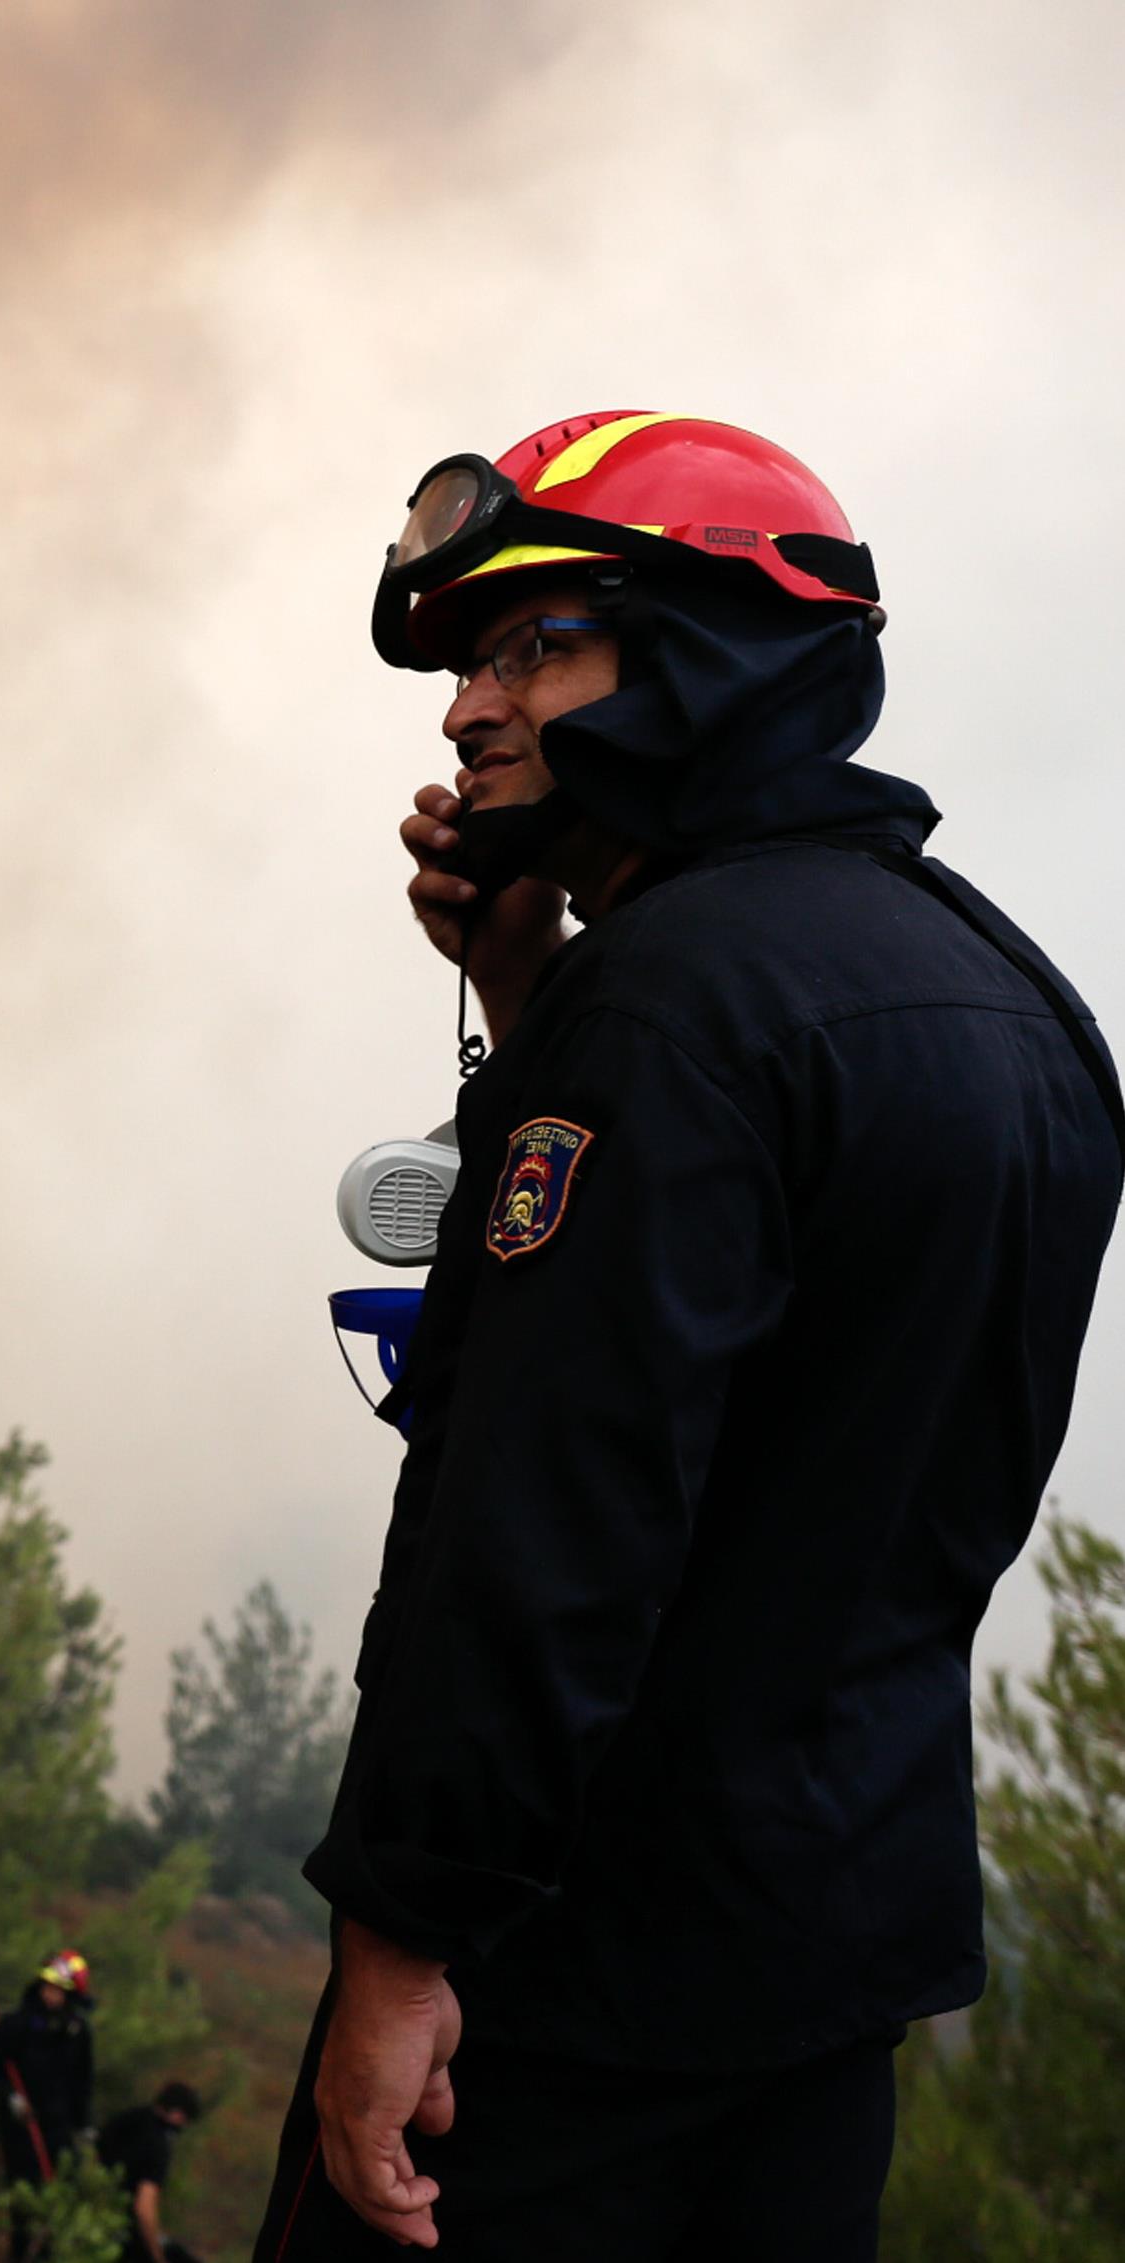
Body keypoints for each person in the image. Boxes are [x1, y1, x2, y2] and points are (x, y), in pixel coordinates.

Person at [257, 413, 1122, 2260]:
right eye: (468, 660)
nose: (463, 709)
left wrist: (401, 1942)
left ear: (712, 652)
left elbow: (545, 1526)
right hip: (824, 1991)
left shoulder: (664, 1017)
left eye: (530, 646)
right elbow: (818, 1468)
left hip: (562, 2013)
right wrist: (519, 989)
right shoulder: (1012, 1002)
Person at [0, 1950, 98, 2192]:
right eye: (47, 1986)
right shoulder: (17, 2025)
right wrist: (10, 2096)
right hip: (22, 2129)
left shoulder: (78, 2032)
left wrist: (84, 2125)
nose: (50, 1994)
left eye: (58, 1989)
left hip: (61, 2129)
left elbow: (83, 2081)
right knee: (25, 2196)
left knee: (67, 2191)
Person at [96, 2082, 204, 2263]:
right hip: (122, 2232)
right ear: (178, 2115)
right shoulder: (158, 2144)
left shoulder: (128, 2118)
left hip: (95, 2214)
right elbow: (144, 2207)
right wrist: (157, 2256)